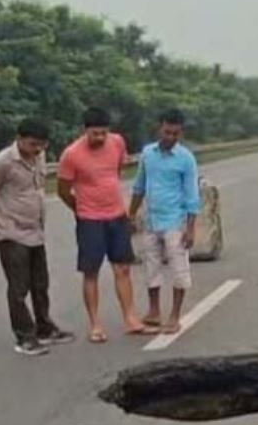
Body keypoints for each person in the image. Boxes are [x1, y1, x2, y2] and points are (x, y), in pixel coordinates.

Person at [57, 108, 155, 343]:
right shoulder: (71, 154)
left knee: (123, 268)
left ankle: (130, 318)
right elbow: (63, 190)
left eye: (103, 133)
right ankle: (95, 324)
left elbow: (116, 171)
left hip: (117, 215)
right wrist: (80, 208)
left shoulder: (117, 142)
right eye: (95, 134)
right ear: (85, 131)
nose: (100, 138)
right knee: (91, 272)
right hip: (89, 219)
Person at [0, 118, 75, 356]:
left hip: (35, 230)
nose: (38, 149)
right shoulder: (4, 162)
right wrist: (1, 218)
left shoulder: (39, 157)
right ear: (19, 139)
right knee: (19, 287)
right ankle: (25, 337)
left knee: (40, 284)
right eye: (33, 144)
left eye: (42, 145)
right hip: (12, 232)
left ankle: (44, 327)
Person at [129, 109, 201, 334]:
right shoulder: (148, 154)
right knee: (151, 267)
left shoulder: (186, 158)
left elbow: (192, 195)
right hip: (151, 220)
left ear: (181, 133)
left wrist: (190, 228)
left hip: (175, 222)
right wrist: (131, 214)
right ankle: (154, 311)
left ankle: (175, 315)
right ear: (159, 128)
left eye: (175, 134)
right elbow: (139, 186)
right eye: (167, 132)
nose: (170, 137)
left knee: (179, 269)